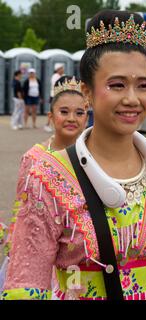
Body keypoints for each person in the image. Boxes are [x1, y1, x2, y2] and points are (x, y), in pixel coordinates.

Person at [1, 10, 146, 300]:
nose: (132, 99)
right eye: (116, 85)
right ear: (88, 93)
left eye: (143, 85)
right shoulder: (48, 174)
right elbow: (25, 284)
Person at [0, 75, 88, 295]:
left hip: (80, 251)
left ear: (87, 118)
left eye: (79, 113)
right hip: (41, 246)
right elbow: (23, 207)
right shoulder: (34, 157)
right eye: (64, 111)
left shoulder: (93, 157)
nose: (72, 118)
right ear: (50, 117)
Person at [44, 63, 65, 133]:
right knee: (53, 111)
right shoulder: (55, 76)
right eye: (61, 68)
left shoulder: (63, 76)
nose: (63, 69)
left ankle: (59, 126)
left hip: (61, 96)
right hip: (54, 96)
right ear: (58, 70)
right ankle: (47, 125)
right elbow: (57, 86)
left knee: (60, 111)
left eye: (63, 68)